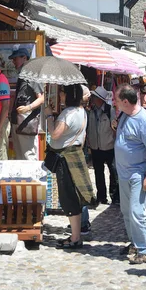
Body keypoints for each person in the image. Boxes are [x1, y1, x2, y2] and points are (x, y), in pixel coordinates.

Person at [45, 84, 96, 249]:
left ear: (70, 95)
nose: (60, 95)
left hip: (65, 159)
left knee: (68, 197)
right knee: (74, 196)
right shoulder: (81, 111)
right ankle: (76, 236)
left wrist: (48, 117)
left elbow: (55, 134)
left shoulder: (68, 113)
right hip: (76, 155)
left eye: (63, 92)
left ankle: (75, 238)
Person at [114, 84, 146, 264]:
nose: (115, 103)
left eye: (117, 100)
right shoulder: (125, 115)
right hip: (124, 173)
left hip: (138, 174)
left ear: (125, 101)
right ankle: (135, 242)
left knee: (137, 211)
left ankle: (144, 249)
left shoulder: (144, 120)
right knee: (126, 211)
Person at [9, 46, 44, 160]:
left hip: (26, 120)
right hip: (19, 119)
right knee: (20, 156)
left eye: (15, 58)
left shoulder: (31, 74)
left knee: (28, 155)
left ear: (24, 58)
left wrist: (28, 107)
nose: (13, 61)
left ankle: (32, 178)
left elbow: (42, 98)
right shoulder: (23, 74)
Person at [86, 86, 117, 205]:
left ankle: (114, 195)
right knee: (98, 173)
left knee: (112, 171)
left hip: (109, 146)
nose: (92, 99)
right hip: (95, 146)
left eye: (94, 97)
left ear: (100, 99)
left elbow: (114, 128)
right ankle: (101, 196)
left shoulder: (110, 111)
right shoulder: (91, 111)